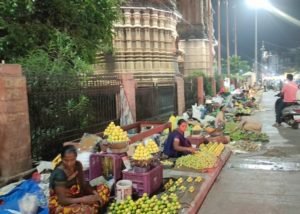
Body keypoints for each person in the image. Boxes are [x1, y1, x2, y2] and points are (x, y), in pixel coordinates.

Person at [49, 145, 108, 213]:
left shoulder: (78, 165)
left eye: (72, 160)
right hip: (62, 202)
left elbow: (83, 184)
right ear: (61, 159)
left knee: (104, 187)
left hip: (77, 195)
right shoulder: (59, 173)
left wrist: (95, 194)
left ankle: (94, 206)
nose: (69, 163)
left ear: (76, 157)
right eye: (66, 160)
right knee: (83, 210)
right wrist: (83, 199)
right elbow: (62, 200)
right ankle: (94, 207)